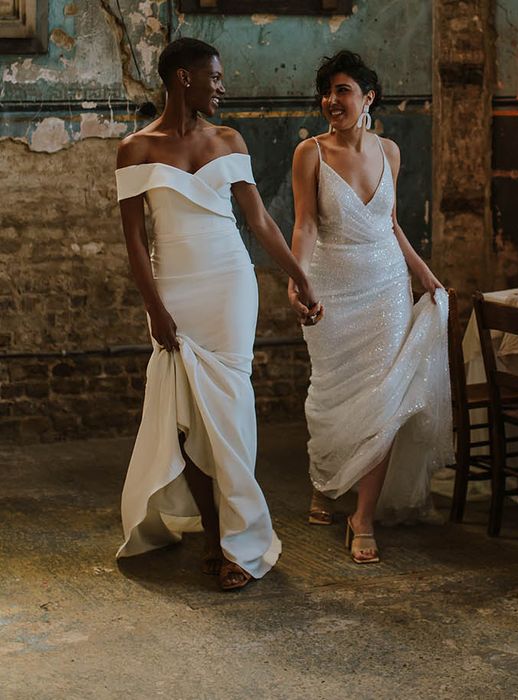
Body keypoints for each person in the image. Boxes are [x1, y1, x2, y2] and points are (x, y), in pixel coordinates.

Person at [114, 38, 319, 590]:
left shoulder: (229, 139)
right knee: (186, 420)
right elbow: (134, 241)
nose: (223, 87)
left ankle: (242, 544)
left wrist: (299, 275)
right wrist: (154, 308)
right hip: (173, 287)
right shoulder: (134, 149)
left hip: (229, 284)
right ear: (184, 78)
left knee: (228, 412)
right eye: (215, 77)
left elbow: (260, 223)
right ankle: (214, 533)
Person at [289, 50, 453, 564]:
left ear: (367, 97)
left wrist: (422, 273)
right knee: (332, 399)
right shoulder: (309, 154)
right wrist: (297, 281)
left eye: (343, 90)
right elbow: (306, 226)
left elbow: (391, 223)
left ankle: (362, 516)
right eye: (328, 91)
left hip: (385, 289)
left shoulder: (391, 151)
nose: (331, 100)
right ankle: (327, 479)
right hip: (332, 290)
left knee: (382, 401)